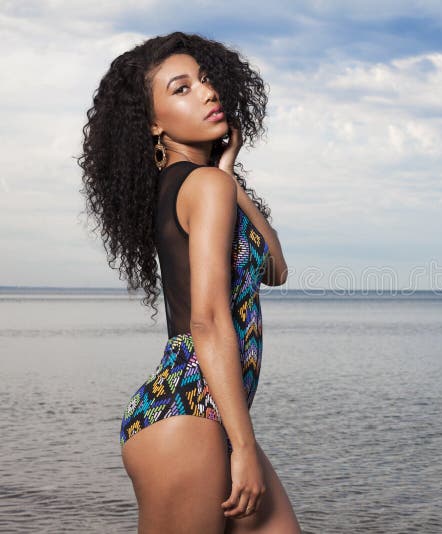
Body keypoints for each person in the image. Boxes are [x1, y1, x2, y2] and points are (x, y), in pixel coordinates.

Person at [77, 31, 301, 533]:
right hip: (188, 412)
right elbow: (208, 320)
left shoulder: (207, 184)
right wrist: (242, 448)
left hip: (209, 411)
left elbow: (276, 269)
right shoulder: (202, 188)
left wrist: (229, 171)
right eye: (181, 88)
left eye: (204, 80)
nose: (206, 92)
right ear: (153, 123)